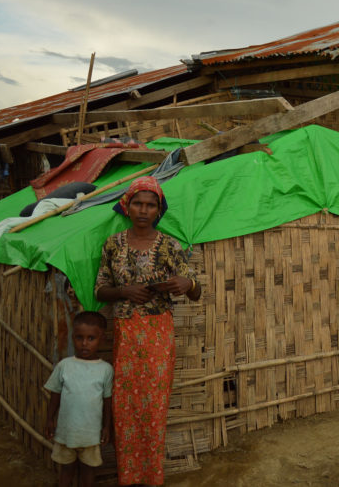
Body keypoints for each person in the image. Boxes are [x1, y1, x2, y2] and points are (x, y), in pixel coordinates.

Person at [94, 176, 201, 486]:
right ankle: (128, 478)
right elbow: (100, 290)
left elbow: (195, 291)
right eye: (137, 203)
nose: (143, 209)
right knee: (126, 405)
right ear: (126, 206)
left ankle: (152, 477)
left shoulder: (169, 245)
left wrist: (187, 284)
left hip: (158, 336)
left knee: (154, 405)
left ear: (158, 210)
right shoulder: (113, 244)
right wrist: (124, 291)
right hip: (126, 334)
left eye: (150, 204)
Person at [45, 311, 114, 487]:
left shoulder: (105, 370)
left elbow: (107, 401)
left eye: (91, 338)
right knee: (66, 470)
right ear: (72, 337)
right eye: (79, 338)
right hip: (66, 433)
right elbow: (55, 395)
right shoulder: (65, 366)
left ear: (102, 339)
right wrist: (49, 419)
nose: (84, 343)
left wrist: (106, 426)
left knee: (88, 472)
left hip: (91, 435)